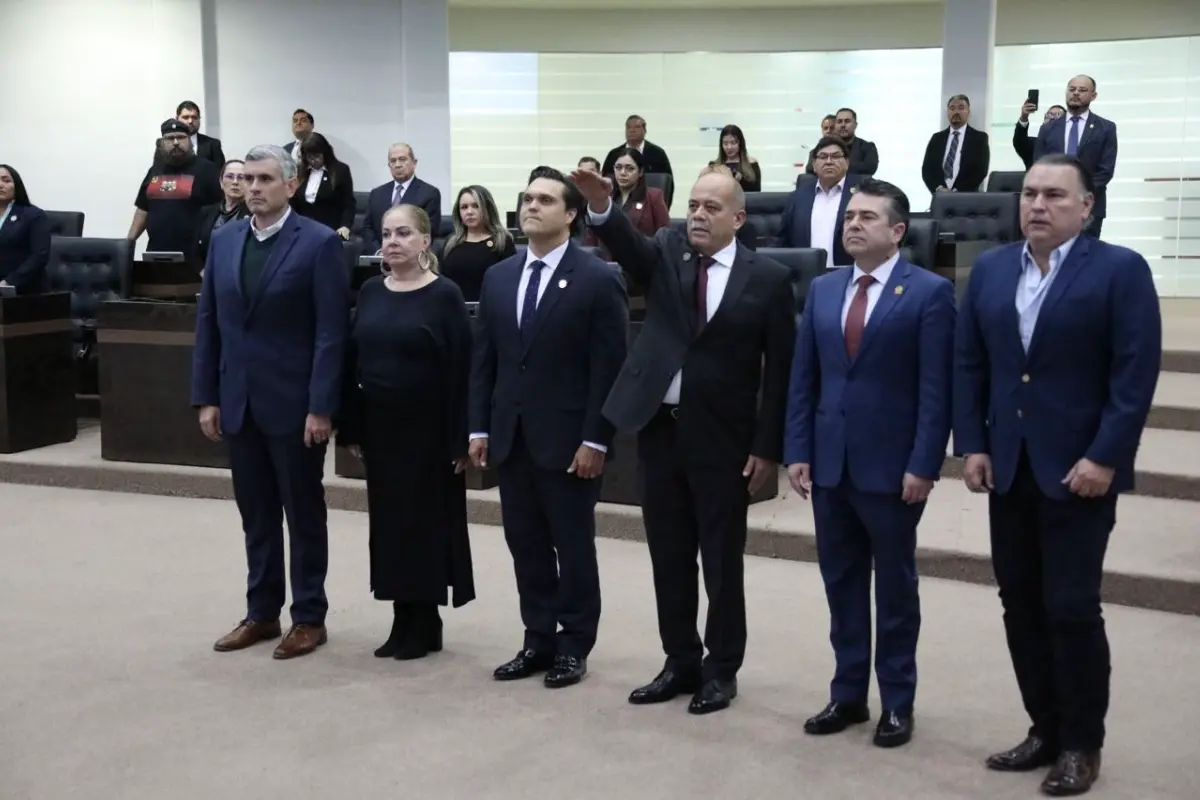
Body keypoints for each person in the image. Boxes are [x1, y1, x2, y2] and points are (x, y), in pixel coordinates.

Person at [954, 155, 1161, 796]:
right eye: (1029, 194)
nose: (1037, 205)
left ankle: (1080, 743)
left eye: (1053, 195)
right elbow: (971, 365)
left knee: (1070, 607)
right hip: (1009, 466)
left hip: (1079, 470)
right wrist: (974, 446)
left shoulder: (1120, 270)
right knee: (1018, 602)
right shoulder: (989, 268)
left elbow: (1133, 375)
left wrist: (1105, 456)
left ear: (1086, 206)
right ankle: (1042, 728)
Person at [572, 164, 795, 715]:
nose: (697, 214)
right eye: (693, 205)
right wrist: (602, 206)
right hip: (660, 432)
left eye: (711, 207)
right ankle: (679, 661)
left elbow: (781, 372)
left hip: (724, 439)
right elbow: (629, 246)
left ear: (738, 219)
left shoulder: (766, 279)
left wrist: (769, 449)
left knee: (722, 561)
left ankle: (721, 670)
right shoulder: (669, 252)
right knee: (668, 556)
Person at [783, 179, 955, 748]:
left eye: (867, 217)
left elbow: (936, 391)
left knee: (896, 590)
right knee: (842, 583)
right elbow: (803, 381)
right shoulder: (826, 289)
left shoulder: (928, 293)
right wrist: (798, 450)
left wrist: (925, 464)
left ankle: (898, 702)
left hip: (892, 468)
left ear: (898, 231)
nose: (852, 224)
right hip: (830, 464)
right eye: (849, 215)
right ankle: (848, 693)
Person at [469, 167, 628, 689]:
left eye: (543, 200)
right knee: (526, 544)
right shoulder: (498, 276)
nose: (530, 206)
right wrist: (479, 429)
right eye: (526, 199)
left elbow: (609, 368)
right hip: (512, 438)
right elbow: (485, 363)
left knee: (572, 544)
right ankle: (537, 638)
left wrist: (596, 438)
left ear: (571, 214)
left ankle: (574, 643)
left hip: (569, 441)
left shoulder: (599, 277)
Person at [191, 144, 350, 660]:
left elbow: (331, 333)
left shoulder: (320, 243)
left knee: (302, 514)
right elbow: (210, 323)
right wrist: (206, 396)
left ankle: (309, 616)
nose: (253, 187)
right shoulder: (225, 239)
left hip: (295, 405)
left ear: (290, 184)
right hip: (238, 401)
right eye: (246, 178)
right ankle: (261, 612)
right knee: (255, 514)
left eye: (263, 179)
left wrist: (321, 405)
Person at [337, 204, 474, 660]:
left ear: (424, 241)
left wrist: (461, 438)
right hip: (381, 428)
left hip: (430, 431)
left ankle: (426, 621)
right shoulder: (372, 291)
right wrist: (351, 427)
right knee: (390, 525)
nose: (392, 241)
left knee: (426, 525)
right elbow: (354, 362)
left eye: (403, 233)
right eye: (386, 233)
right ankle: (401, 617)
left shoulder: (445, 294)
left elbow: (461, 371)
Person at [1033, 75, 1117, 238]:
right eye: (1072, 89)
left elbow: (1106, 170)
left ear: (1093, 96)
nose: (1076, 93)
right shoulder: (1048, 129)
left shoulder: (1105, 128)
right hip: (1052, 205)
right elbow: (1039, 166)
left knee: (1085, 258)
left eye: (1082, 90)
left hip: (1089, 206)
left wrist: (1079, 192)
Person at [128, 119, 222, 263]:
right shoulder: (155, 171)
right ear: (162, 143)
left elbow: (221, 210)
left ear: (190, 141)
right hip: (156, 254)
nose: (176, 142)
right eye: (170, 138)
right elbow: (143, 209)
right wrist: (128, 243)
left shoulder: (206, 169)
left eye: (181, 137)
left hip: (195, 259)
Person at [582, 148, 669, 262]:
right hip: (606, 264)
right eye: (618, 167)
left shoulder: (653, 196)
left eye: (630, 168)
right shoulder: (604, 196)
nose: (623, 173)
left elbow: (665, 237)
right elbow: (591, 236)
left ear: (640, 172)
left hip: (641, 263)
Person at [361, 143, 443, 255]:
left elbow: (429, 231)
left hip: (412, 258)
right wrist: (380, 251)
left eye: (402, 159)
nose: (397, 165)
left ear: (414, 163)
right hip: (379, 259)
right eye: (393, 161)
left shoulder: (429, 193)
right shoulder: (377, 193)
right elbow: (367, 228)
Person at [439, 185, 516, 302]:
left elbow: (511, 284)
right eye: (464, 207)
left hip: (489, 310)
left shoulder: (502, 241)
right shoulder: (451, 242)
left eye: (475, 206)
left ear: (487, 208)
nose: (469, 212)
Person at [290, 132, 356, 239]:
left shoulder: (340, 170)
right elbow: (292, 203)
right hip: (301, 230)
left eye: (317, 156)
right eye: (309, 157)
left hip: (330, 230)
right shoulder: (299, 172)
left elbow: (349, 204)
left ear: (325, 153)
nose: (313, 160)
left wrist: (345, 226)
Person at [0, 164, 51, 294]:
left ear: (16, 185)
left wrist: (8, 283)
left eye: (6, 181)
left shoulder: (33, 215)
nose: (1, 185)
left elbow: (39, 256)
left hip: (24, 292)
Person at [196, 159, 250, 266]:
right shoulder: (206, 212)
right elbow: (195, 249)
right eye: (230, 176)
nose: (235, 182)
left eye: (241, 177)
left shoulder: (255, 214)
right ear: (221, 182)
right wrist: (203, 271)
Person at [711, 124, 761, 193]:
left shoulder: (752, 164)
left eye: (733, 143)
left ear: (740, 144)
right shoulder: (715, 166)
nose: (729, 147)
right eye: (725, 143)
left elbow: (756, 193)